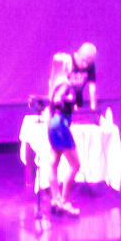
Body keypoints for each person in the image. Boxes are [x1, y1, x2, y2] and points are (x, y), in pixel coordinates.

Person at [44, 52, 81, 216]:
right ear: (66, 66)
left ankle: (55, 200)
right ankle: (64, 202)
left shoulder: (53, 82)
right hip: (60, 125)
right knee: (75, 165)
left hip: (53, 124)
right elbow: (58, 100)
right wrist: (68, 99)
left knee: (53, 163)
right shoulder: (65, 83)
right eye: (70, 63)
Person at [70, 42, 98, 110]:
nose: (85, 65)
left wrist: (93, 107)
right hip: (64, 98)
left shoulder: (90, 65)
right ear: (78, 55)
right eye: (83, 61)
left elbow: (92, 87)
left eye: (88, 63)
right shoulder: (68, 61)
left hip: (78, 97)